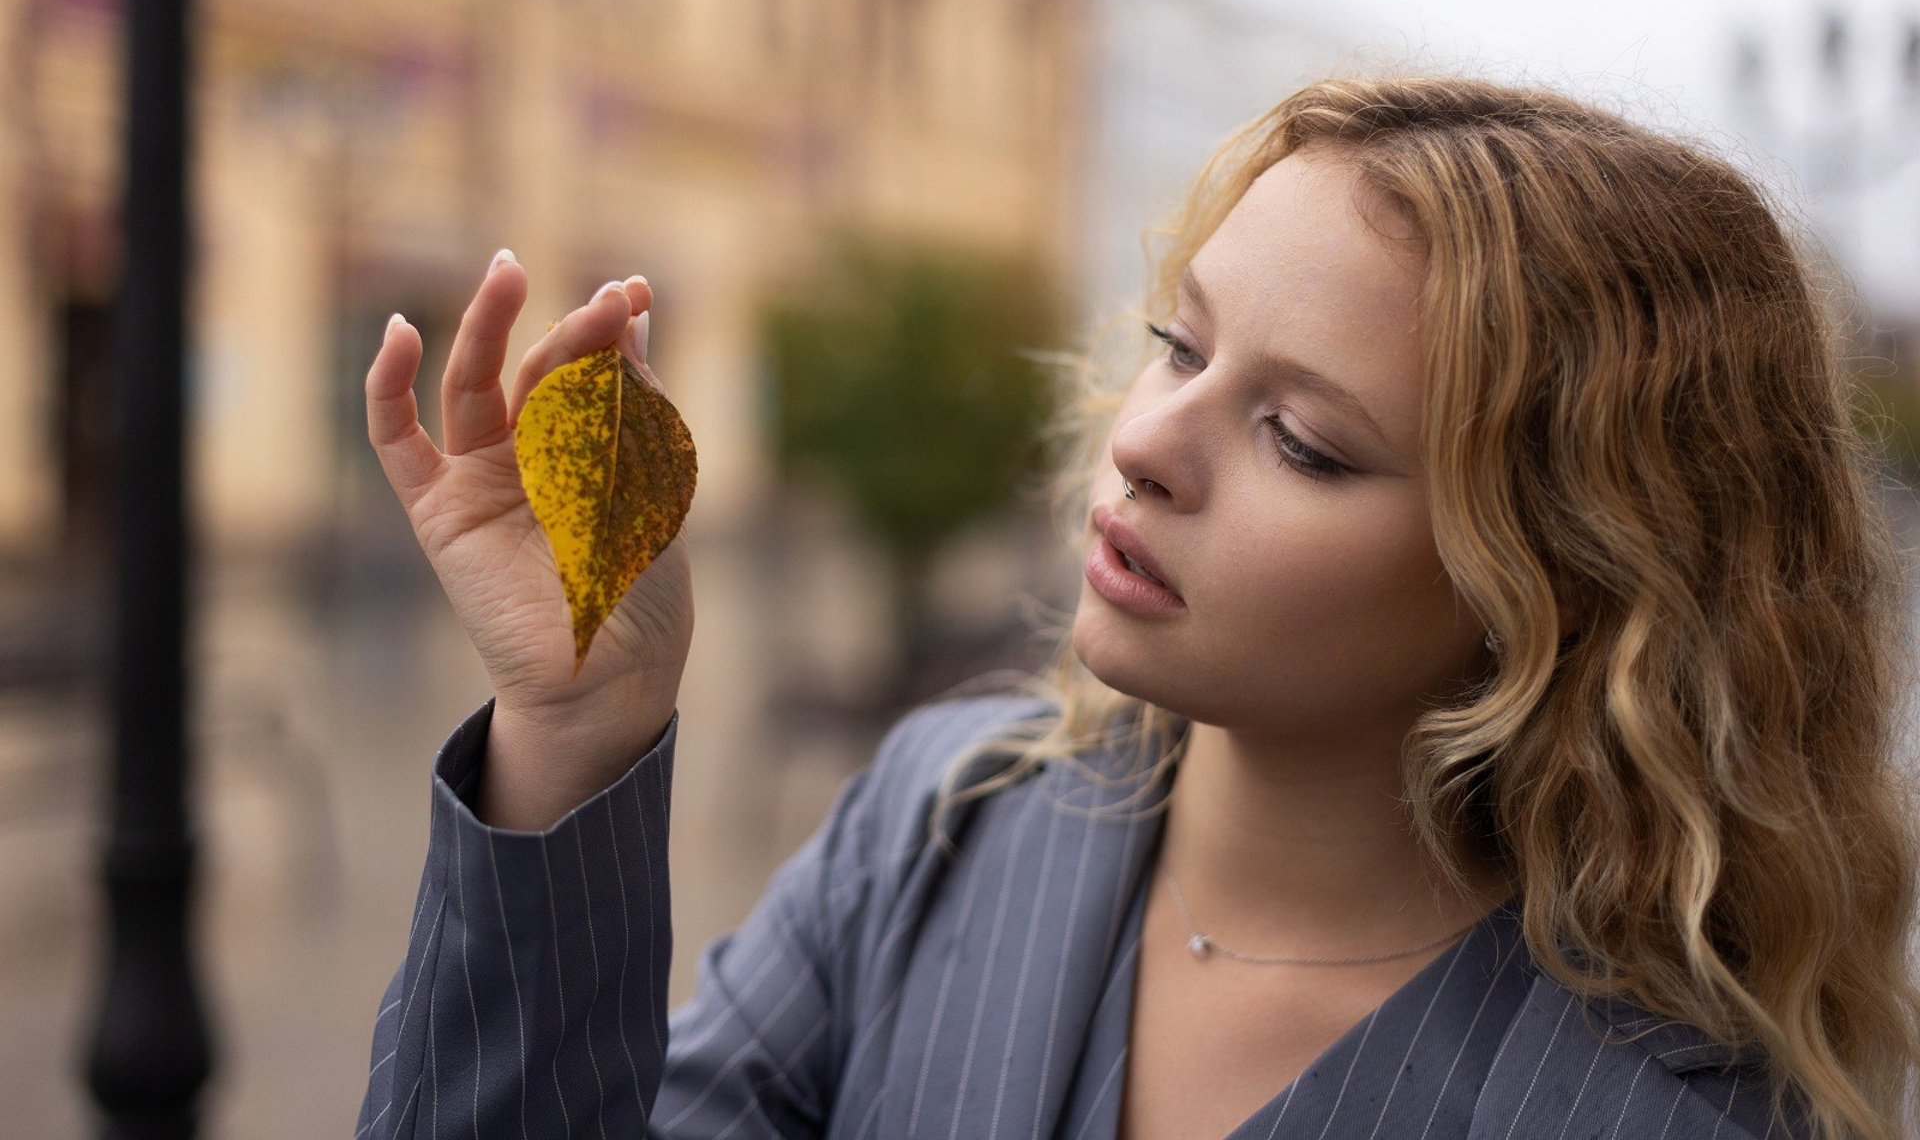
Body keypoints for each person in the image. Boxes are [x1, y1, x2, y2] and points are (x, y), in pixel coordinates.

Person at [354, 77, 1920, 1140]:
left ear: (1568, 580)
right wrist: (576, 727)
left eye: (1304, 441)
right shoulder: (941, 821)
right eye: (1181, 345)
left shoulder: (1652, 1108)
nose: (1147, 443)